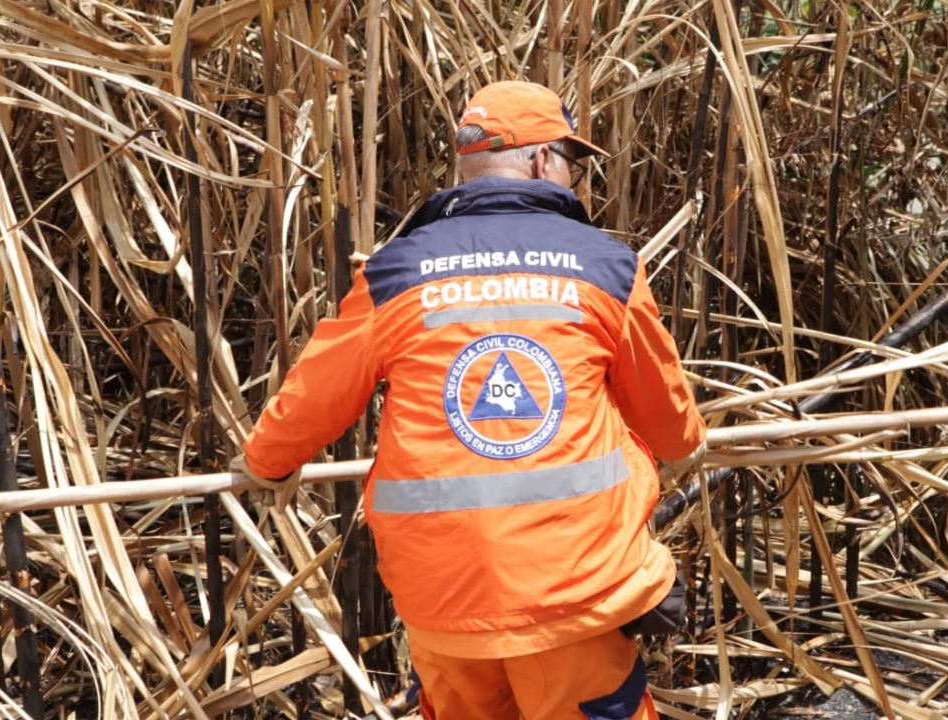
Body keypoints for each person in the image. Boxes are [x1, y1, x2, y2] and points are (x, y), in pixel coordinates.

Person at [235, 80, 707, 720]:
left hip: (442, 602)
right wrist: (684, 448)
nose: (578, 179)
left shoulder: (394, 270)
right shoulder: (605, 266)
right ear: (543, 160)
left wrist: (267, 466)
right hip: (573, 594)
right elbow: (671, 426)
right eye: (575, 162)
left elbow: (312, 397)